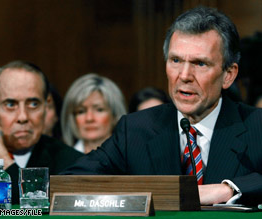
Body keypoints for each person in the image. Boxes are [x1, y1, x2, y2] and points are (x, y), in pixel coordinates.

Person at [62, 6, 262, 206]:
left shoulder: (256, 126)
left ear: (228, 75)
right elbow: (70, 182)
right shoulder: (135, 130)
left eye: (200, 63)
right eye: (175, 60)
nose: (184, 76)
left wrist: (229, 188)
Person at [0, 60, 83, 206]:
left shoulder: (70, 164)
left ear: (46, 106)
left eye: (33, 104)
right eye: (10, 104)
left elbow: (36, 210)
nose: (23, 117)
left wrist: (1, 160)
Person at [61, 73, 127, 154]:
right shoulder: (62, 160)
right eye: (81, 111)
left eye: (99, 110)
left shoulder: (131, 158)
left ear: (115, 115)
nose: (89, 118)